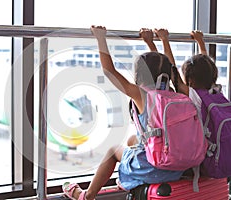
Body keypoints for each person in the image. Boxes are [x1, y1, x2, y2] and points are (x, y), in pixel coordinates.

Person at [61, 25, 184, 200]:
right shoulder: (175, 95)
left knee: (113, 150)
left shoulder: (141, 95)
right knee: (131, 140)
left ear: (140, 75)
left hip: (154, 169)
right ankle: (131, 177)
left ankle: (87, 195)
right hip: (176, 168)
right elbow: (167, 68)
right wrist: (151, 42)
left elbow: (109, 72)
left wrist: (101, 38)